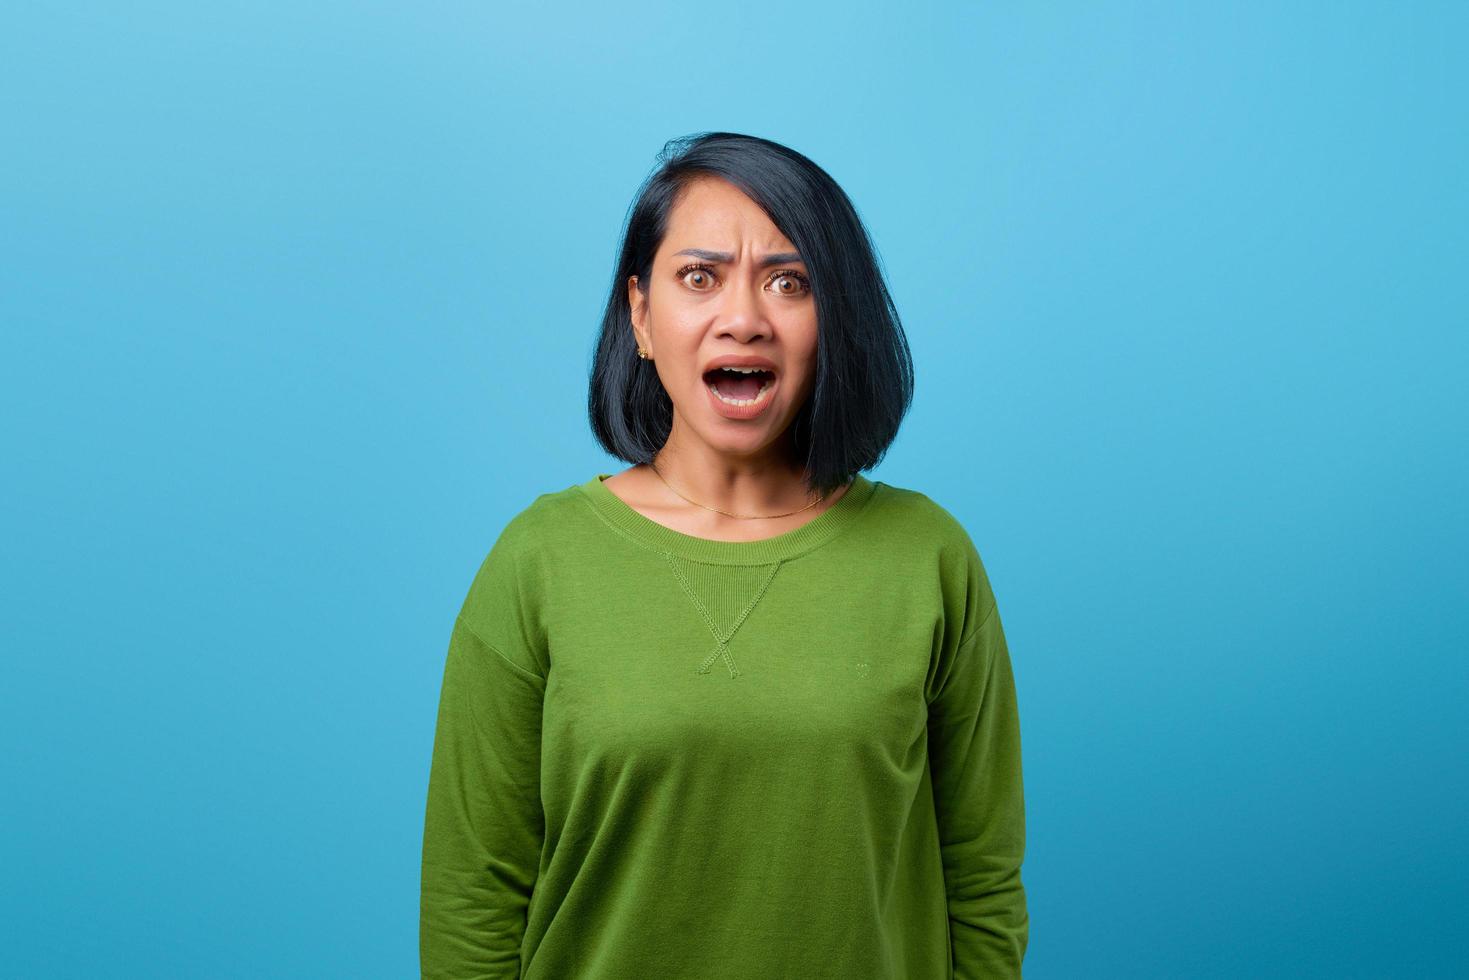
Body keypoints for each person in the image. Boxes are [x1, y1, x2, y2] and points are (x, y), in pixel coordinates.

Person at [420, 131, 1028, 979]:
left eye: (789, 282)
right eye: (698, 277)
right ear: (639, 314)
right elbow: (470, 900)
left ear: (834, 320)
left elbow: (984, 884)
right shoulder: (539, 561)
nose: (743, 318)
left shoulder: (927, 558)